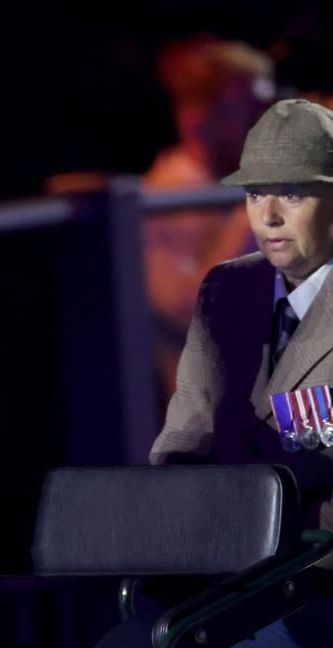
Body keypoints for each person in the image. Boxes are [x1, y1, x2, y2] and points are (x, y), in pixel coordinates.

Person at [81, 98, 333, 648]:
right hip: (231, 570)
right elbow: (184, 442)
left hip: (317, 580)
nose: (266, 216)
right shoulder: (228, 287)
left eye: (292, 195)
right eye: (254, 195)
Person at [142, 36, 274, 403]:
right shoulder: (164, 199)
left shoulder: (234, 185)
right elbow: (205, 316)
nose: (264, 121)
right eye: (251, 106)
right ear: (199, 115)